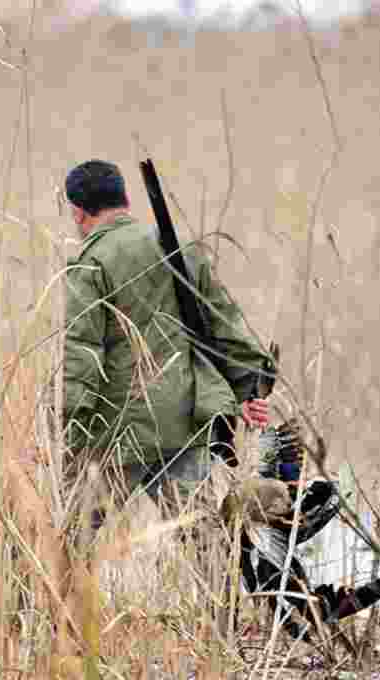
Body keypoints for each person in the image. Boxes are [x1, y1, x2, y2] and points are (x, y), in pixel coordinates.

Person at [62, 159, 272, 546]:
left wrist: (68, 428)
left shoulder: (90, 264)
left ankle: (50, 607)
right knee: (207, 543)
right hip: (183, 421)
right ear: (125, 198)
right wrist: (250, 389)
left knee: (70, 545)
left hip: (116, 433)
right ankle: (227, 608)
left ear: (77, 211)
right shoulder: (178, 249)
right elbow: (224, 323)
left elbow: (82, 355)